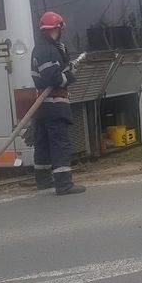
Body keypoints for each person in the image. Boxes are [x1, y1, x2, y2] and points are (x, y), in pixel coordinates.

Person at [30, 11, 86, 195]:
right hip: (54, 104)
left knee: (44, 142)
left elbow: (53, 71)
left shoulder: (44, 47)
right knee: (59, 143)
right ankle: (63, 184)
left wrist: (66, 65)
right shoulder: (48, 49)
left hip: (43, 105)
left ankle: (44, 179)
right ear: (58, 29)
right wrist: (69, 76)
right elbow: (52, 77)